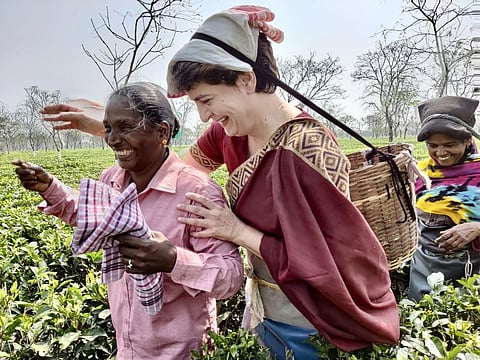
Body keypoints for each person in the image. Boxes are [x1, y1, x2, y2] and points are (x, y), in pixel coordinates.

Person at [41, 6, 400, 358]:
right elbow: (174, 174)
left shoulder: (310, 147)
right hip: (262, 305)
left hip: (312, 316)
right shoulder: (227, 133)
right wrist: (120, 130)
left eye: (206, 99)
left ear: (245, 79)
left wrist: (235, 231)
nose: (202, 115)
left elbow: (330, 259)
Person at [13, 82, 243, 359]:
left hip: (182, 350)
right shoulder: (111, 179)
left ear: (162, 132)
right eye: (109, 128)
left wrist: (173, 261)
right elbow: (94, 217)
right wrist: (49, 187)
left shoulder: (196, 191)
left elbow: (230, 276)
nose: (112, 139)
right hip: (129, 345)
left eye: (125, 127)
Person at [409, 95, 480, 301]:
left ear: (467, 140)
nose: (441, 153)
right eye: (433, 145)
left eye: (449, 144)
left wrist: (476, 228)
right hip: (424, 270)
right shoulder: (421, 173)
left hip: (472, 272)